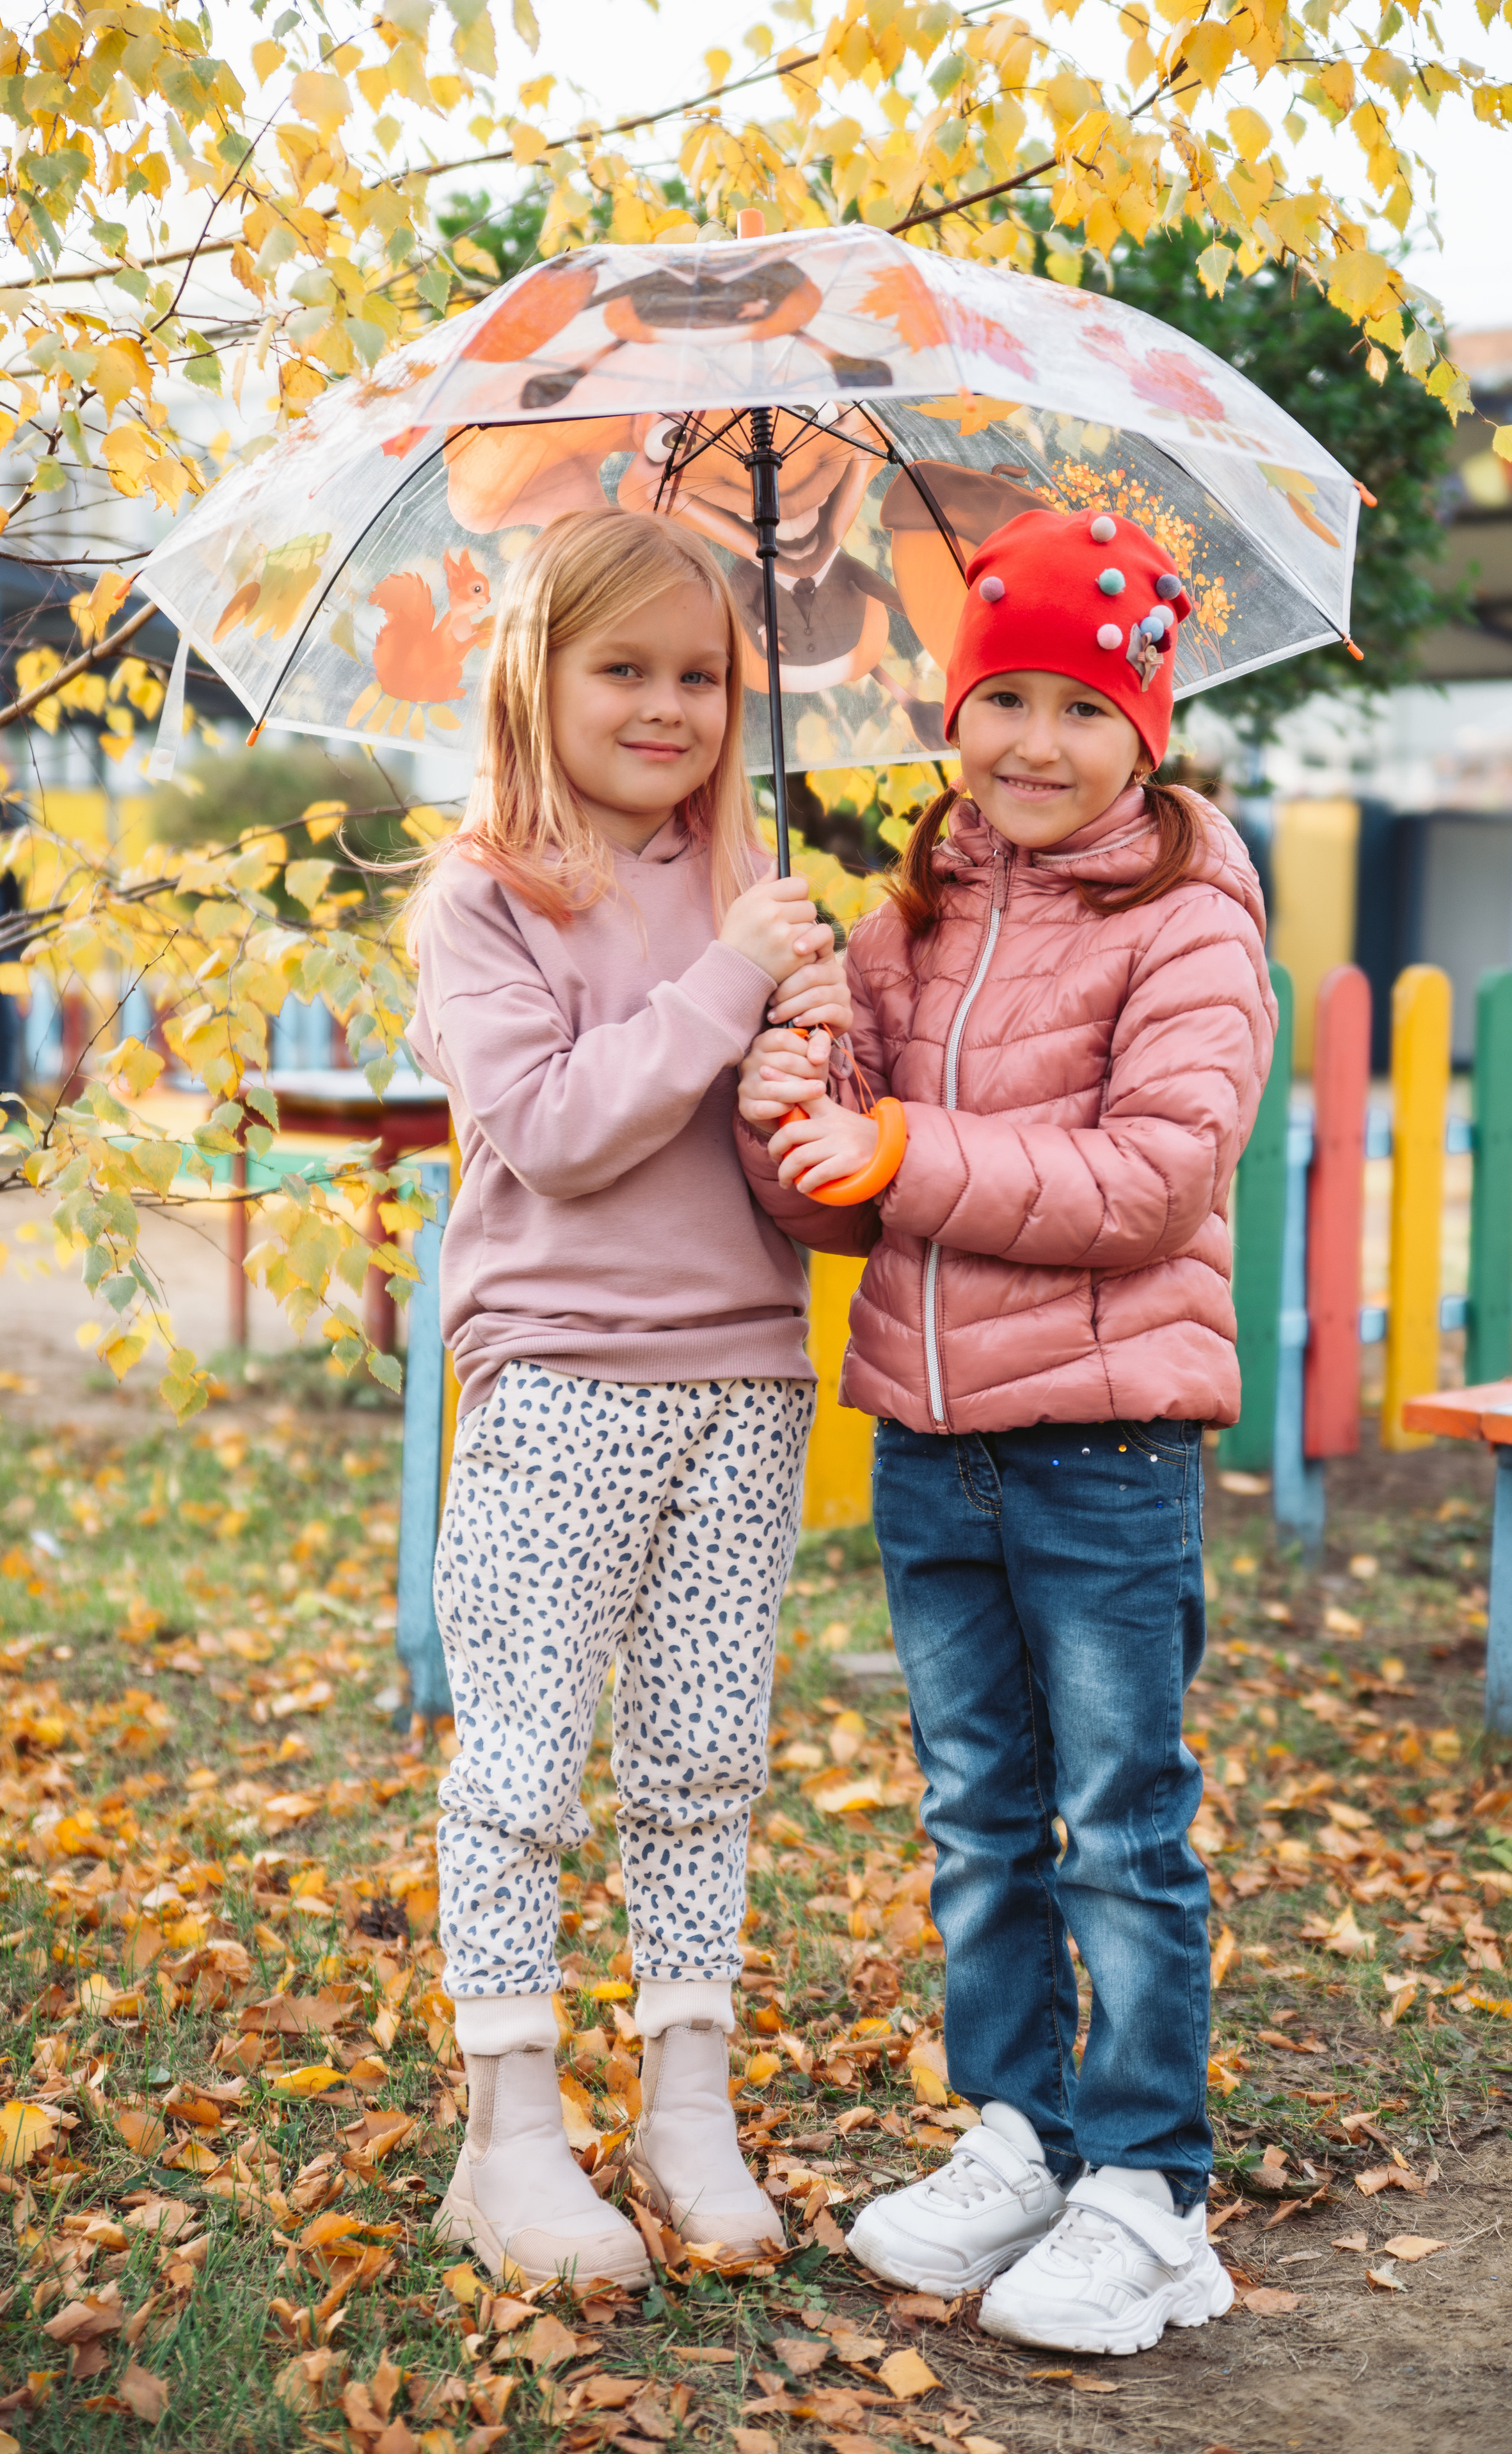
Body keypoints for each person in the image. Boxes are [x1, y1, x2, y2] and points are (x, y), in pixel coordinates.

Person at [735, 505, 1277, 2355]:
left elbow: (1147, 1177)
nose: (1033, 741)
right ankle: (1023, 2130)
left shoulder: (1194, 920)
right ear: (955, 711)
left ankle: (1151, 2183)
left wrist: (909, 1152)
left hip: (1104, 1445)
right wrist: (796, 1072)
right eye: (1002, 699)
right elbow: (837, 1195)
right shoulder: (912, 915)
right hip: (927, 1439)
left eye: (1079, 705)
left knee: (1117, 1818)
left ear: (1150, 724)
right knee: (979, 1815)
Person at [405, 506, 850, 2288]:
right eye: (626, 668)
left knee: (700, 1759)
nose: (668, 706)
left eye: (699, 674)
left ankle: (687, 2104)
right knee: (522, 1764)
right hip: (562, 1380)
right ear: (538, 673)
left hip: (745, 1377)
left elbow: (801, 1191)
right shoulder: (483, 895)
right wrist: (731, 980)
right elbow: (565, 1133)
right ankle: (508, 2130)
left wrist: (810, 1070)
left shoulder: (742, 876)